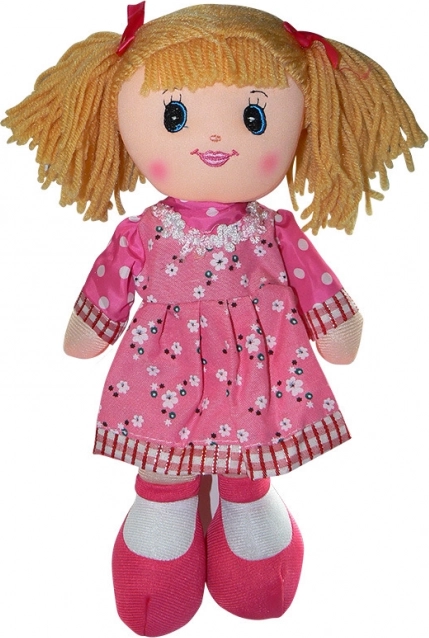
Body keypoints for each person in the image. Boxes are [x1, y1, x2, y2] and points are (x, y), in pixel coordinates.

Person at [2, 3, 426, 636]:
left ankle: (244, 503)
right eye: (175, 117)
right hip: (163, 384)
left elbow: (322, 298)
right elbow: (101, 304)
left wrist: (335, 326)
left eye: (254, 119)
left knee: (248, 467)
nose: (218, 140)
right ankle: (167, 509)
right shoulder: (146, 232)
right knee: (164, 469)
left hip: (256, 381)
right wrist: (91, 326)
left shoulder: (274, 229)